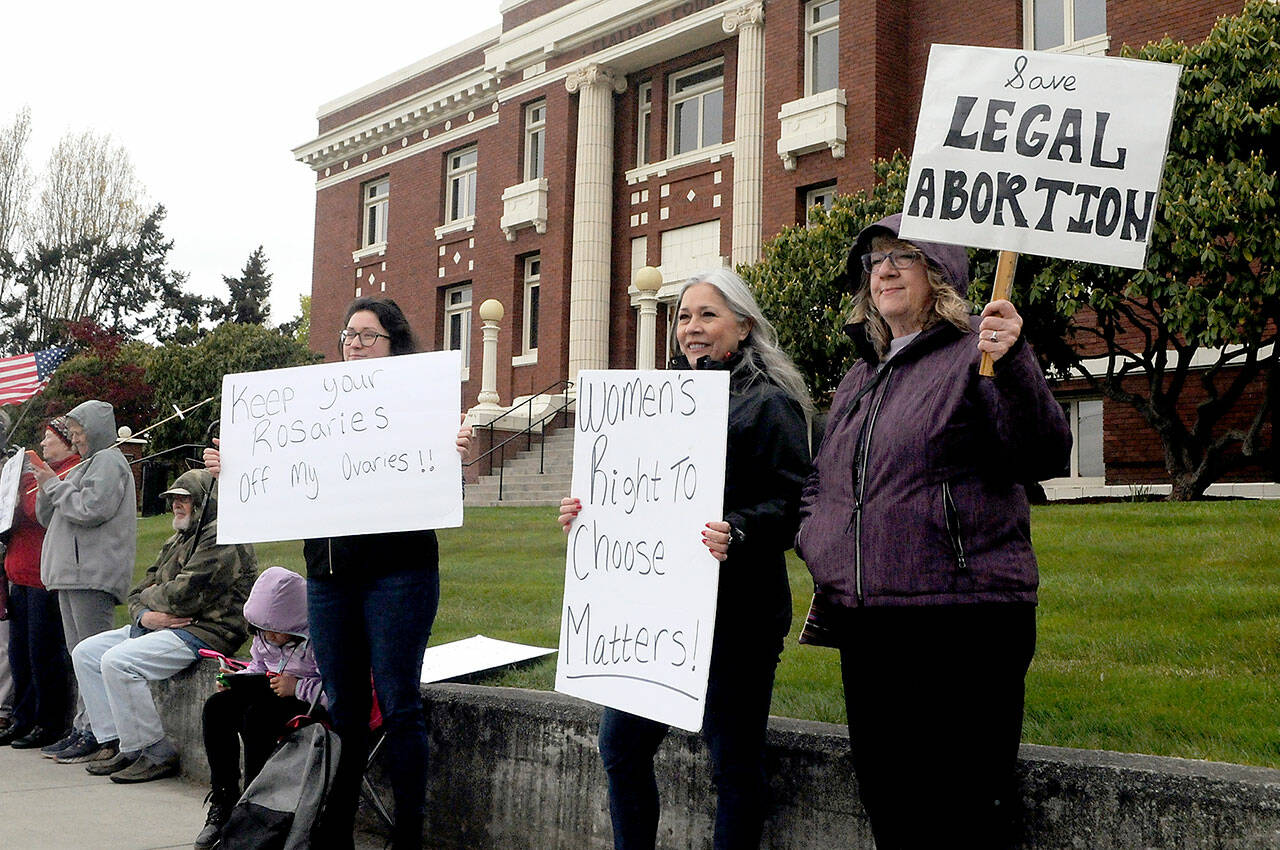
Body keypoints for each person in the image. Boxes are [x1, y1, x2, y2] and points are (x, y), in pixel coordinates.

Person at [795, 212, 1072, 849]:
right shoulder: (860, 377)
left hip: (963, 621)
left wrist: (1017, 360)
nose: (884, 269)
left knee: (962, 811)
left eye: (903, 256)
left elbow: (1041, 453)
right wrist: (822, 544)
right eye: (874, 261)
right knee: (889, 801)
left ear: (940, 273)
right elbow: (823, 481)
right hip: (870, 623)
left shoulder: (980, 348)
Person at [204, 296, 474, 850]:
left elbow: (436, 483)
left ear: (394, 344)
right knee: (342, 708)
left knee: (399, 702)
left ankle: (410, 835)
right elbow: (278, 468)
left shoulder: (419, 405)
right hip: (329, 578)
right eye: (348, 333)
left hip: (399, 574)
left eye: (368, 335)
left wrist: (453, 451)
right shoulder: (312, 407)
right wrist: (235, 466)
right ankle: (336, 832)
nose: (354, 342)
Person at [558, 268, 812, 850]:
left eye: (707, 315)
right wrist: (586, 512)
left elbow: (796, 499)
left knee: (733, 767)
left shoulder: (769, 404)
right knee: (620, 747)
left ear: (743, 326)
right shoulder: (653, 404)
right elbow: (629, 490)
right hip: (655, 612)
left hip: (738, 615)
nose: (692, 328)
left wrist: (740, 531)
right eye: (684, 316)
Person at [68, 468, 256, 782]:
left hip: (206, 630)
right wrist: (145, 615)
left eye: (185, 499)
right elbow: (137, 591)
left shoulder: (223, 537)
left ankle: (156, 753)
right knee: (86, 653)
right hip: (162, 625)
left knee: (118, 661)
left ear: (205, 502)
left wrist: (150, 603)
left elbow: (183, 596)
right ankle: (121, 743)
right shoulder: (178, 537)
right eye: (173, 500)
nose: (176, 505)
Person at [31, 400, 137, 762]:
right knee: (79, 658)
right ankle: (83, 725)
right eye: (72, 434)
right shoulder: (86, 465)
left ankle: (98, 730)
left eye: (77, 434)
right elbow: (54, 515)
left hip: (91, 576)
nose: (74, 441)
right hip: (70, 575)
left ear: (94, 431)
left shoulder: (109, 461)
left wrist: (56, 487)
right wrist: (48, 486)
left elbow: (91, 508)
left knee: (90, 657)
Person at [195, 566, 326, 850]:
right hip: (271, 694)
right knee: (217, 707)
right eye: (263, 632)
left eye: (277, 633)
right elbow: (258, 667)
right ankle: (225, 798)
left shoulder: (320, 639)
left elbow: (342, 691)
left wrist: (298, 687)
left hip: (309, 705)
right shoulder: (264, 638)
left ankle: (257, 807)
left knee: (257, 718)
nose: (270, 638)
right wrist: (237, 681)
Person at [0, 419, 79, 750]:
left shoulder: (69, 471)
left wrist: (20, 500)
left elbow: (45, 513)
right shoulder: (35, 473)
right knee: (20, 654)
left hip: (43, 575)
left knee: (43, 652)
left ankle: (49, 721)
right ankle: (24, 717)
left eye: (50, 439)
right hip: (19, 573)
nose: (43, 444)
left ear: (66, 443)